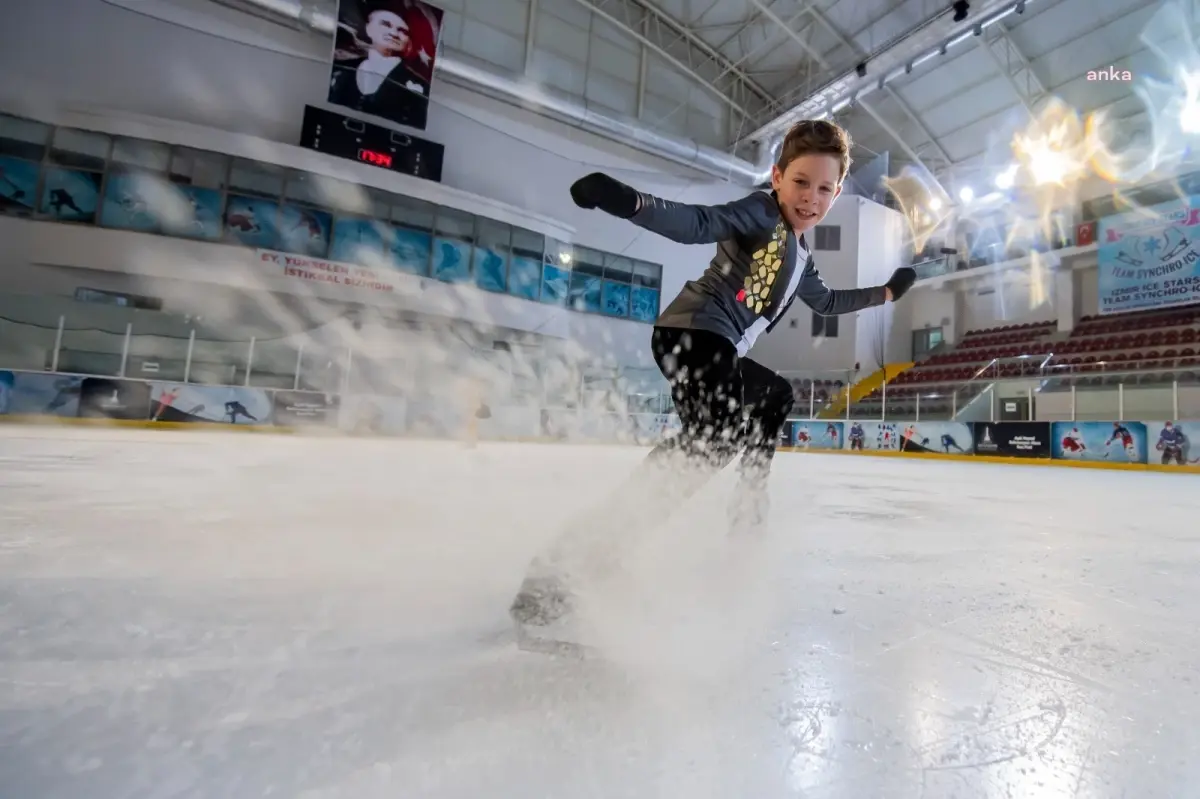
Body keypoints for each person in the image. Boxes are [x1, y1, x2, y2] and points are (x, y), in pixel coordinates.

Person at [510, 119, 916, 639]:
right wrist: (626, 202)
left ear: (836, 193)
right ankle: (563, 570)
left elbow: (831, 303)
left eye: (823, 188)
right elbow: (698, 222)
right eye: (800, 182)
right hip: (695, 333)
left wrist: (888, 293)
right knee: (711, 441)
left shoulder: (801, 260)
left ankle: (745, 502)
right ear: (777, 177)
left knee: (773, 397)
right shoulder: (762, 212)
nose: (810, 198)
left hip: (717, 347)